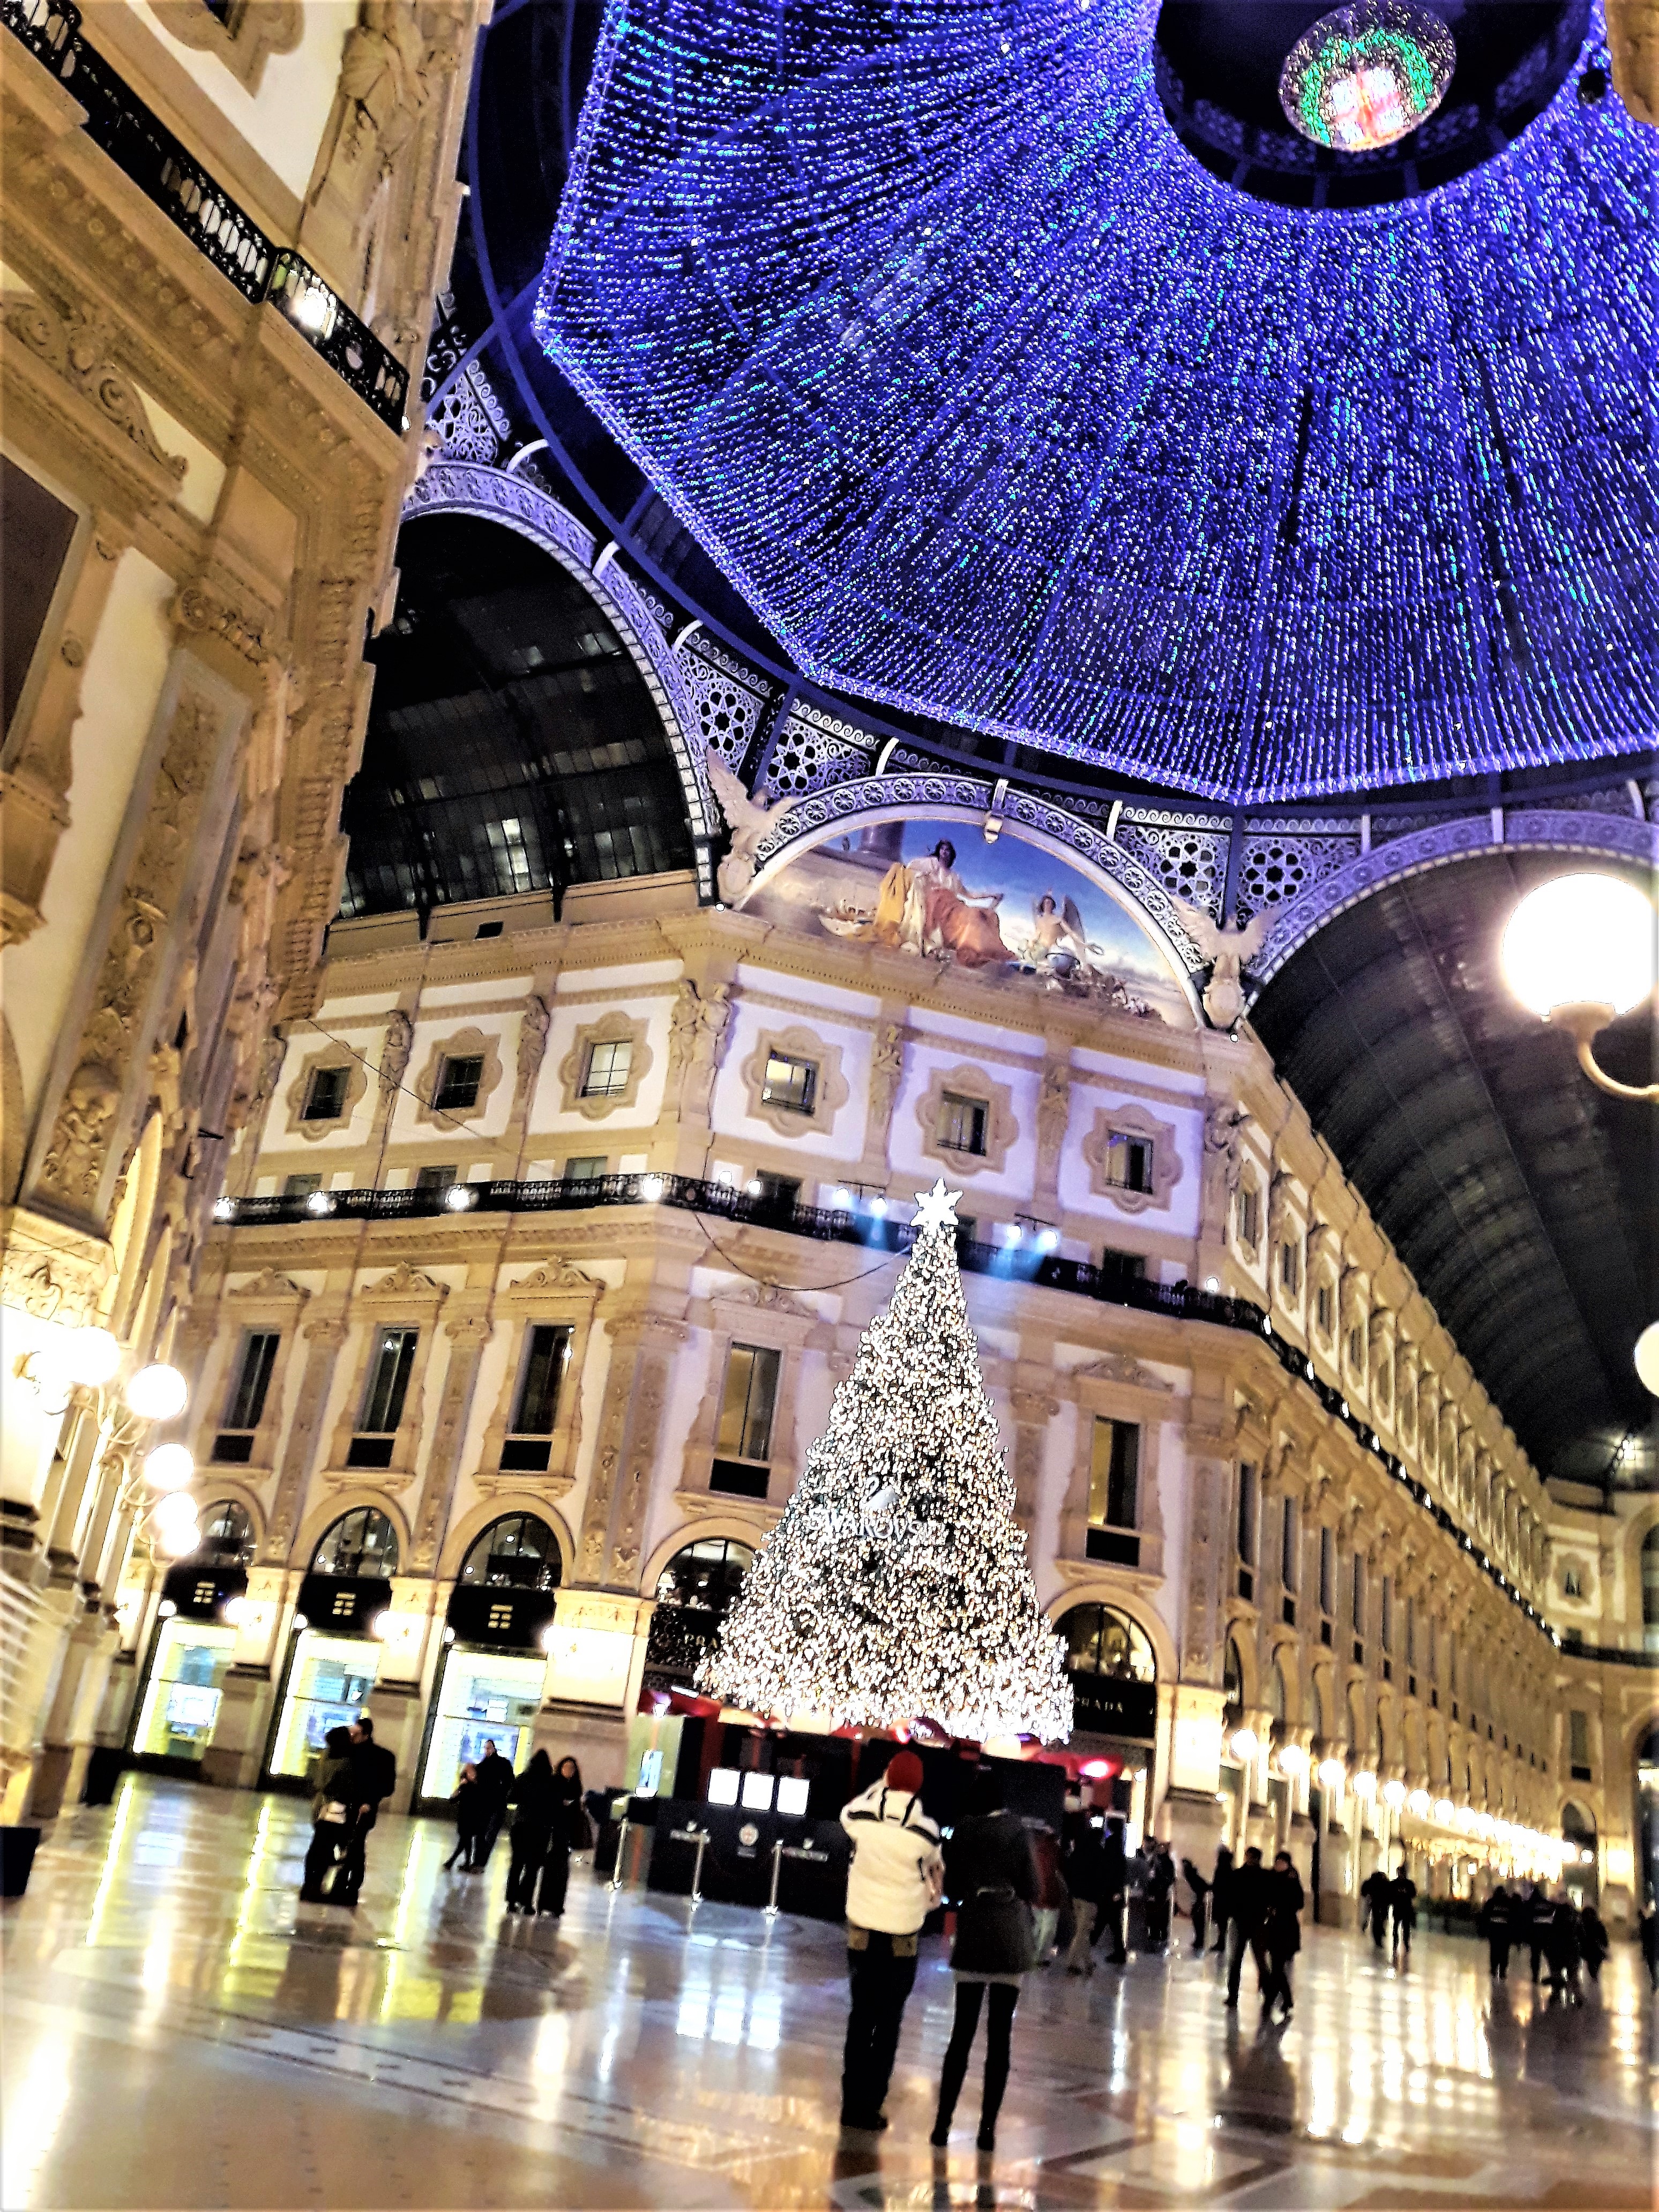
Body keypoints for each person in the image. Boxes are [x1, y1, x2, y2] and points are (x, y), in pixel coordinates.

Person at [930, 1767, 1040, 2154]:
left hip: (975, 1933)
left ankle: (942, 2125)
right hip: (1010, 1938)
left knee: (961, 2034)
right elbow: (1033, 1888)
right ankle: (987, 2130)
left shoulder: (963, 1831)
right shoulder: (1018, 1833)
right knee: (999, 2038)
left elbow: (954, 1890)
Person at [837, 1750, 942, 2134]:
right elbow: (935, 1864)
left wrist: (882, 1784)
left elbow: (847, 1813)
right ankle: (872, 2104)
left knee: (860, 2017)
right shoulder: (926, 1830)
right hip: (903, 1938)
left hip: (862, 1932)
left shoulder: (862, 1819)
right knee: (889, 2021)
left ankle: (851, 2104)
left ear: (887, 1777)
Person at [333, 1715, 397, 1907]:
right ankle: (344, 1884)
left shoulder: (383, 1757)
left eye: (357, 1733)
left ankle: (349, 1886)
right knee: (349, 1846)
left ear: (366, 1735)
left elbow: (387, 1786)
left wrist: (370, 1801)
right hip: (343, 1808)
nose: (352, 1737)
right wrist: (347, 1731)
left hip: (365, 1810)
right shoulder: (347, 1752)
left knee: (356, 1845)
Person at [299, 1725, 354, 1901]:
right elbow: (341, 1787)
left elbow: (319, 1783)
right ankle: (314, 1887)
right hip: (335, 1809)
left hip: (321, 1807)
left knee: (318, 1848)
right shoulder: (346, 1762)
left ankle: (310, 1885)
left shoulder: (326, 1757)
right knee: (325, 1849)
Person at [504, 1750, 558, 1913]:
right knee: (533, 1867)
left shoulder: (523, 1778)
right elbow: (554, 1807)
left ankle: (512, 1901)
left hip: (521, 1826)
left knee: (517, 1864)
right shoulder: (551, 1783)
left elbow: (511, 1799)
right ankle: (527, 1902)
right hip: (541, 1829)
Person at [536, 1754, 584, 1918]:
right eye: (566, 1767)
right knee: (549, 1871)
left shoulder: (576, 1788)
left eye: (572, 1768)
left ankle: (557, 1905)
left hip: (565, 1837)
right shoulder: (553, 1784)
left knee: (562, 1873)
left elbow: (577, 1815)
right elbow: (546, 1807)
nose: (569, 1771)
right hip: (552, 1834)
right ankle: (543, 1904)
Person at [1259, 1851, 1304, 2022]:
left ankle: (1271, 2001)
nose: (1278, 1865)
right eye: (1277, 1862)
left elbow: (1299, 1903)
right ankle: (1287, 2000)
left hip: (1287, 1930)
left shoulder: (1292, 1880)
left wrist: (1281, 1908)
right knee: (1277, 1968)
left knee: (1277, 1967)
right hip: (1272, 1928)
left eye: (1282, 1863)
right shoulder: (1271, 1877)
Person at [1061, 1800, 1105, 1974]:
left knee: (1083, 1930)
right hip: (1089, 1898)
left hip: (1076, 1896)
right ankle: (1071, 1963)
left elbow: (1069, 1869)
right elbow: (1101, 1878)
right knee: (1082, 1931)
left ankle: (1087, 1963)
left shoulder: (1079, 1850)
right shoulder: (1100, 1855)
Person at [1224, 1846, 1270, 2009]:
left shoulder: (1244, 1876)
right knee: (1237, 1960)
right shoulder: (1261, 1876)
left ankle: (1266, 1993)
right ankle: (1233, 1995)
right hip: (1246, 1922)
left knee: (1257, 1961)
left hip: (1251, 1923)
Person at [473, 1739, 515, 1866]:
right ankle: (479, 1863)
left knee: (484, 1834)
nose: (487, 1751)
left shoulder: (485, 1766)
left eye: (489, 1748)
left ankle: (478, 1862)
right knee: (487, 1835)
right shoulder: (500, 1764)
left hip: (489, 1805)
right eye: (486, 1748)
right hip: (496, 1805)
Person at [1095, 1816, 1128, 1964]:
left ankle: (1087, 1947)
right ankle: (1120, 1953)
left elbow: (1107, 1870)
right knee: (1115, 1925)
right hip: (1115, 1893)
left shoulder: (1109, 1846)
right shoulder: (1119, 1847)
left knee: (1101, 1922)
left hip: (1108, 1892)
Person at [444, 1760, 485, 1872]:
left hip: (471, 1818)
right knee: (465, 1841)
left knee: (465, 1841)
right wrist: (460, 1788)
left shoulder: (475, 1787)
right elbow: (452, 1799)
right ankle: (464, 1863)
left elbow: (453, 1799)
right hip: (466, 1817)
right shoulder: (466, 1787)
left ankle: (452, 1862)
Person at [1545, 1890, 1582, 2005]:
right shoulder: (1576, 1917)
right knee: (1573, 1975)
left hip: (1557, 1951)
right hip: (1572, 1950)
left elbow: (1549, 1935)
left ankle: (1556, 1994)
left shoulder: (1555, 1917)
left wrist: (1548, 1950)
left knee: (1556, 1974)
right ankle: (1577, 1996)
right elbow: (1581, 1934)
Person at [1144, 1839, 1176, 1952]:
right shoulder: (1154, 1860)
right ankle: (1154, 1937)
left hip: (1161, 1894)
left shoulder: (1168, 1862)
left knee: (1161, 1917)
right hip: (1154, 1892)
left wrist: (1161, 1885)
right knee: (1153, 1917)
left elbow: (1170, 1878)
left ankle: (1161, 1938)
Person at [1478, 1884, 1514, 1979]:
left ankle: (1494, 1969)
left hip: (1494, 1932)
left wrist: (1483, 1931)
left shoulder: (1491, 1903)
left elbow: (1484, 1917)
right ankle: (1502, 1971)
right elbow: (1513, 1918)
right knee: (1504, 1952)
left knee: (1494, 1951)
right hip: (1505, 1933)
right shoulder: (1509, 1903)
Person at [1210, 1844, 1235, 1960]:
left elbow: (1220, 1883)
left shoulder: (1223, 1867)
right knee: (1222, 1923)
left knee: (1222, 1923)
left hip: (1223, 1899)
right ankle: (1221, 1943)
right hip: (1225, 1899)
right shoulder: (1228, 1866)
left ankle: (1221, 1943)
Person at [1182, 1857, 1212, 1955]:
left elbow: (1201, 1888)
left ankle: (1200, 1940)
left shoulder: (1192, 1876)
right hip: (1197, 1901)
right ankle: (1199, 1940)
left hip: (1198, 1902)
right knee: (1197, 1922)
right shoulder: (1192, 1875)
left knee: (1198, 1922)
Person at [1527, 1882, 1556, 1983]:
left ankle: (1535, 1976)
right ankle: (1553, 1974)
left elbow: (1528, 1919)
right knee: (1549, 1956)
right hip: (1547, 1934)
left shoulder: (1531, 1904)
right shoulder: (1547, 1904)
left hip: (1535, 1935)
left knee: (1535, 1956)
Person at [1390, 1862, 1417, 1962]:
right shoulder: (1394, 1884)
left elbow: (1414, 1894)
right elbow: (1390, 1896)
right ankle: (1395, 1943)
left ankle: (1406, 1944)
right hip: (1398, 1909)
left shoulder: (1409, 1884)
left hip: (1406, 1909)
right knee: (1396, 1928)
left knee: (1406, 1928)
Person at [1361, 1867, 1391, 1952]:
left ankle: (1377, 1938)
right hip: (1382, 1904)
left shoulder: (1371, 1882)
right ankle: (1380, 1936)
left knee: (1376, 1920)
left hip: (1375, 1904)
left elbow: (1364, 1892)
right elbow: (1390, 1893)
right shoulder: (1385, 1883)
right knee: (1381, 1920)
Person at [1578, 1902, 1609, 1986]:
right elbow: (1603, 1936)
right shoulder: (1597, 1924)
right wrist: (1605, 1944)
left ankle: (1594, 1974)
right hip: (1594, 1948)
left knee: (1592, 1962)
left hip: (1589, 1947)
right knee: (1594, 1962)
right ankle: (1594, 1975)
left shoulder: (1584, 1924)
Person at [1638, 1906, 1658, 1993]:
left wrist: (1644, 1951)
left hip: (1651, 1949)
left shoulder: (1648, 1922)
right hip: (1653, 1948)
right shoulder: (1650, 1923)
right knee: (1653, 1966)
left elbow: (1644, 1939)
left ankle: (1655, 1982)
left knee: (1652, 1966)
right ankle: (1655, 1981)